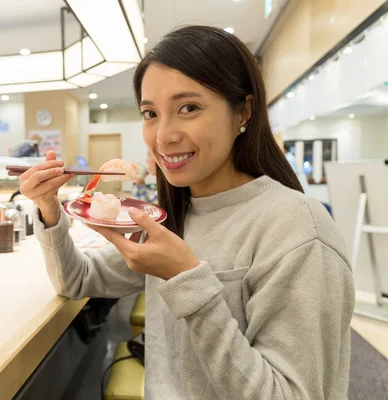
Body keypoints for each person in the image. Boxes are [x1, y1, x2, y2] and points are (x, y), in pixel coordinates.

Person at [20, 26, 354, 399]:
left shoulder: (298, 230)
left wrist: (186, 279)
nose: (163, 136)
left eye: (189, 108)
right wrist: (49, 209)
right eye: (150, 113)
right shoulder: (175, 218)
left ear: (243, 111)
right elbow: (78, 280)